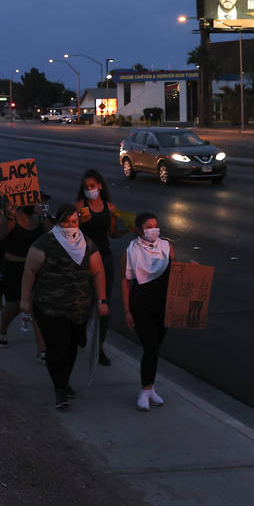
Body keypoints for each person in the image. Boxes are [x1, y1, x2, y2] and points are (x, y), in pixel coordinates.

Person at [20, 204, 109, 410]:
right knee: (56, 348)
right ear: (58, 222)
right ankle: (59, 388)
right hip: (50, 308)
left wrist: (102, 300)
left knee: (71, 347)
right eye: (66, 222)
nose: (70, 226)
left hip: (79, 309)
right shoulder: (44, 243)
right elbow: (29, 271)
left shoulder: (87, 244)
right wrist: (25, 300)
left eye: (74, 222)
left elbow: (98, 272)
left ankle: (64, 381)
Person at [123, 213, 176, 411]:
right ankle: (145, 390)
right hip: (141, 304)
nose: (153, 229)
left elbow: (174, 271)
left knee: (155, 348)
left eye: (155, 225)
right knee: (150, 346)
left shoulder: (166, 247)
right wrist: (127, 309)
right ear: (139, 230)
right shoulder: (131, 250)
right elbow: (125, 280)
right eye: (148, 226)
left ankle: (150, 387)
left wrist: (189, 268)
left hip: (162, 304)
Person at [75, 169, 121, 366]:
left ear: (100, 186)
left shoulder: (110, 208)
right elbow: (70, 231)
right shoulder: (80, 206)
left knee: (104, 303)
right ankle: (81, 331)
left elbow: (112, 233)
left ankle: (100, 347)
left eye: (92, 186)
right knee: (85, 299)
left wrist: (128, 229)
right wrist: (79, 221)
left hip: (104, 256)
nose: (89, 190)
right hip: (85, 258)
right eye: (86, 187)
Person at [0, 201, 48, 350]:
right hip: (14, 269)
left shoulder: (38, 218)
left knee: (37, 307)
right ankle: (3, 329)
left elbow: (51, 236)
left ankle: (42, 349)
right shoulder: (12, 217)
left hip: (36, 269)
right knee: (14, 305)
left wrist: (43, 216)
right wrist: (9, 217)